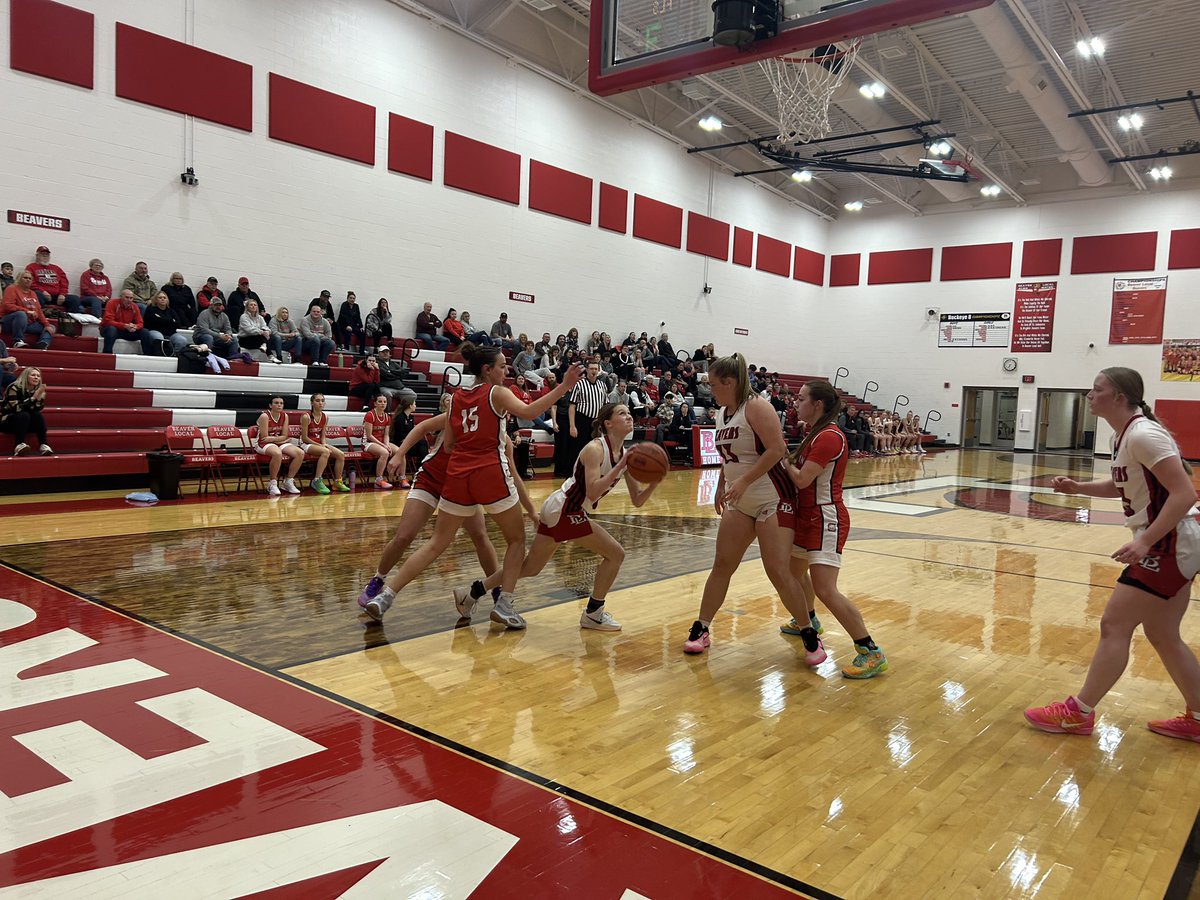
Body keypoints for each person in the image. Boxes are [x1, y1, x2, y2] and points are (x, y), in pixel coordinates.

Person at [1025, 367, 1200, 740]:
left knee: (1114, 625)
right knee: (1164, 634)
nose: (1090, 395)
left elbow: (1185, 493)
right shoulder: (1123, 435)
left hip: (1169, 543)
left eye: (1097, 389)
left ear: (1119, 397)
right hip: (1173, 541)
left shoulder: (1144, 434)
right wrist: (1078, 486)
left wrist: (1145, 541)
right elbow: (1124, 484)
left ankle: (1078, 713)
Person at [362, 343, 583, 627]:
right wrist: (564, 385)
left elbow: (451, 444)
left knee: (435, 544)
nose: (507, 371)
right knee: (516, 540)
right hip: (489, 471)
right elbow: (528, 413)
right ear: (487, 370)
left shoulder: (455, 398)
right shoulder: (498, 392)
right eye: (502, 367)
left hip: (457, 474)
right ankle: (504, 604)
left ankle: (386, 596)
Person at [460, 402, 656, 632]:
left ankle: (471, 592)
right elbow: (593, 491)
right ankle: (594, 613)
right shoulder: (595, 449)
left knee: (531, 568)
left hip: (562, 509)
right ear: (608, 423)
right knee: (615, 554)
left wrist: (655, 480)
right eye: (623, 413)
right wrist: (621, 466)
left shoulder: (624, 456)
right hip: (565, 508)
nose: (630, 417)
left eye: (630, 414)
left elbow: (637, 500)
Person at [682, 353, 815, 658]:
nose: (710, 389)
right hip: (739, 500)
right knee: (722, 564)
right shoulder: (722, 413)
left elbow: (778, 449)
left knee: (778, 572)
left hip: (773, 497)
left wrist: (743, 481)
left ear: (729, 383)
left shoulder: (756, 406)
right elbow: (730, 457)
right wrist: (720, 484)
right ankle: (702, 627)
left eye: (714, 384)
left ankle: (808, 629)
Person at [356, 392, 533, 617]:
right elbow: (422, 429)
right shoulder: (459, 416)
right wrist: (400, 454)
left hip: (459, 488)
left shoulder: (502, 440)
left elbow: (514, 475)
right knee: (404, 536)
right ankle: (378, 580)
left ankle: (496, 591)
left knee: (480, 536)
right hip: (432, 478)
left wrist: (531, 510)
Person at [779, 381, 888, 678]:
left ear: (818, 405)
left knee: (826, 588)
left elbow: (802, 480)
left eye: (801, 399)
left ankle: (870, 651)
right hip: (807, 516)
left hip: (826, 517)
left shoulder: (829, 436)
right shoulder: (813, 432)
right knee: (792, 573)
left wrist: (779, 456)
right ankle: (809, 621)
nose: (795, 403)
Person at [298, 393, 350, 494]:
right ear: (312, 403)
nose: (320, 403)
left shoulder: (325, 416)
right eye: (317, 401)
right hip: (305, 444)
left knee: (340, 454)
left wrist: (324, 443)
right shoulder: (306, 416)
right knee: (326, 452)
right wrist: (320, 446)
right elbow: (304, 438)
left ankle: (337, 482)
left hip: (318, 444)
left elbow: (322, 435)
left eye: (322, 401)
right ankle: (316, 481)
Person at [254, 396, 304, 496]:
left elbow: (285, 435)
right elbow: (264, 437)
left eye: (281, 403)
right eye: (276, 403)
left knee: (300, 453)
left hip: (276, 442)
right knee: (277, 453)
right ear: (270, 405)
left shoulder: (285, 416)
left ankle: (288, 482)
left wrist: (274, 439)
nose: (279, 405)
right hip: (262, 444)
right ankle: (272, 483)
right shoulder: (265, 416)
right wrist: (279, 439)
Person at [0, 366, 51, 456]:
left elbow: (36, 409)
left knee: (37, 415)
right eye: (33, 375)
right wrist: (33, 398)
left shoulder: (37, 391)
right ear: (26, 376)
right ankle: (19, 445)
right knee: (24, 415)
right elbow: (16, 408)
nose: (36, 377)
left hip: (24, 424)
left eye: (38, 376)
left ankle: (44, 444)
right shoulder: (14, 387)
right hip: (6, 422)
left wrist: (38, 400)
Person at [568, 360, 608, 464]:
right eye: (591, 369)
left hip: (596, 422)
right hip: (582, 420)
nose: (593, 371)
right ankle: (574, 474)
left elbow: (605, 406)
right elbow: (572, 406)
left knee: (596, 449)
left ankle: (592, 473)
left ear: (598, 370)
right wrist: (572, 426)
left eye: (596, 369)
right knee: (578, 449)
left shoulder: (602, 385)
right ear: (586, 370)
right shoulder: (579, 384)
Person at [1, 270, 53, 349]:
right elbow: (7, 306)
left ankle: (43, 343)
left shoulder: (32, 293)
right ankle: (17, 341)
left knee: (51, 327)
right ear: (19, 279)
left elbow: (38, 311)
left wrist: (46, 324)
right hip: (9, 322)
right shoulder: (12, 289)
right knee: (21, 314)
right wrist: (26, 311)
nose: (28, 280)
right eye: (25, 278)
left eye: (30, 278)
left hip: (27, 324)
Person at [363, 392, 403, 489]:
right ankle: (378, 480)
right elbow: (369, 435)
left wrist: (387, 444)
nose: (383, 404)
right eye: (380, 401)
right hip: (368, 442)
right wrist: (384, 446)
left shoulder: (387, 417)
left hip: (381, 442)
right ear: (375, 403)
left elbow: (386, 435)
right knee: (384, 453)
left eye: (385, 402)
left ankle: (402, 478)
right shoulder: (370, 415)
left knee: (400, 451)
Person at [26, 246, 80, 313]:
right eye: (43, 255)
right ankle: (40, 317)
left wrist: (62, 294)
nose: (45, 257)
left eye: (47, 255)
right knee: (37, 294)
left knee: (75, 299)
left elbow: (64, 283)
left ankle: (69, 319)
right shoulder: (31, 267)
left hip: (56, 296)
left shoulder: (56, 268)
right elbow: (30, 282)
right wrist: (43, 292)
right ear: (37, 256)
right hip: (41, 295)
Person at [100, 290, 151, 354]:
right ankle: (107, 354)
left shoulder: (134, 306)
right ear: (121, 297)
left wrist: (135, 327)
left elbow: (140, 323)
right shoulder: (112, 303)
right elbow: (108, 321)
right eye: (126, 297)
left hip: (126, 330)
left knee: (145, 331)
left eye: (131, 298)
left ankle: (148, 355)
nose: (129, 300)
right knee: (111, 329)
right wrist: (124, 326)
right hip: (110, 329)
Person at [238, 298, 282, 363]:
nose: (253, 306)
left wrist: (267, 331)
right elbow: (249, 330)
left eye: (255, 305)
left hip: (257, 340)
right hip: (245, 339)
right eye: (251, 305)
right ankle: (269, 354)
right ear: (247, 307)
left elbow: (265, 326)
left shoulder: (260, 317)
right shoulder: (243, 317)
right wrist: (261, 332)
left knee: (271, 337)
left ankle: (269, 352)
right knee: (260, 336)